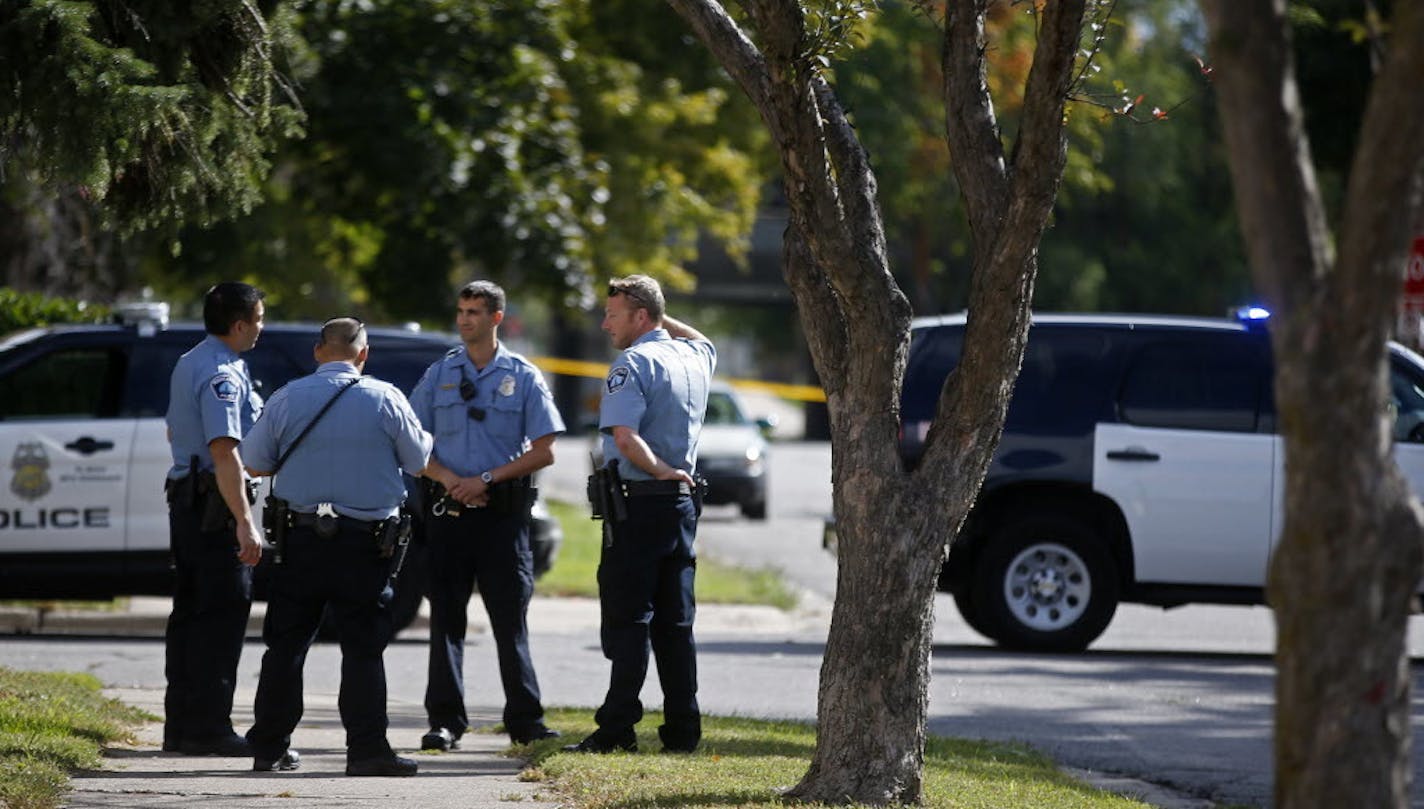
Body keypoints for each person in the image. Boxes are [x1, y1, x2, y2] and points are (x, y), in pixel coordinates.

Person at [242, 318, 433, 776]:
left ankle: (269, 747)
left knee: (286, 645)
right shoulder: (386, 398)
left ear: (317, 351)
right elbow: (419, 461)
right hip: (365, 545)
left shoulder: (286, 397)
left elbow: (253, 460)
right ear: (363, 354)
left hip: (300, 540)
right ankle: (367, 751)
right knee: (363, 649)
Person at [409, 281, 566, 750]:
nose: (464, 320)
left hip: (502, 519)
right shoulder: (439, 374)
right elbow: (411, 442)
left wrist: (486, 480)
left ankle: (525, 719)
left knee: (508, 621)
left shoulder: (523, 375)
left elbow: (545, 450)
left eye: (475, 312)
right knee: (446, 620)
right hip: (450, 513)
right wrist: (450, 479)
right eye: (460, 311)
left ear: (497, 317)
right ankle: (445, 721)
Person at [565, 275, 715, 754]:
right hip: (680, 507)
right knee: (675, 622)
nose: (606, 323)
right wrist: (655, 304)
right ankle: (683, 730)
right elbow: (699, 337)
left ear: (641, 318)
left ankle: (616, 729)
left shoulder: (633, 362)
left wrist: (662, 470)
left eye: (614, 314)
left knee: (628, 619)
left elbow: (626, 438)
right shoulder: (694, 358)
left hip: (642, 501)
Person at [162, 281, 266, 757]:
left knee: (189, 614)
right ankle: (208, 728)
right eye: (258, 320)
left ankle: (181, 725)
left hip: (187, 499)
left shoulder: (190, 361)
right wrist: (244, 522)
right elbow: (225, 453)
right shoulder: (223, 374)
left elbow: (173, 429)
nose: (260, 329)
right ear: (240, 324)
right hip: (212, 509)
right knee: (221, 616)